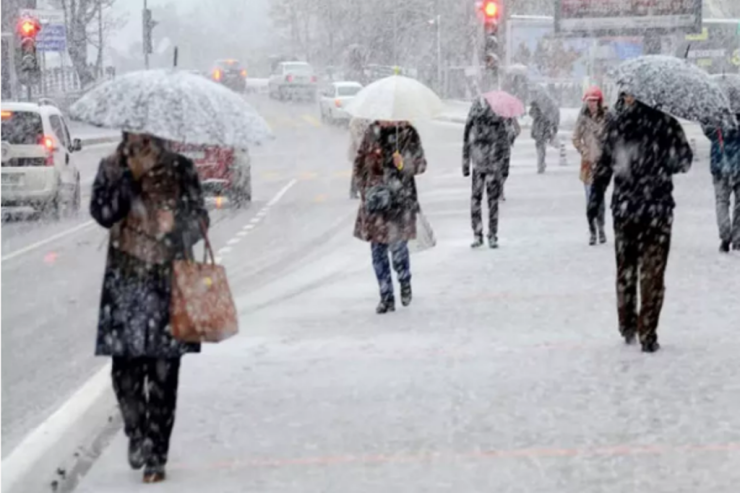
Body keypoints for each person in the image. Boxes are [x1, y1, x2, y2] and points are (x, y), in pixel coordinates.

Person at [90, 132, 209, 483]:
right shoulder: (112, 168)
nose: (140, 135)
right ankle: (136, 431)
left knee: (164, 376)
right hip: (125, 284)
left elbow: (200, 219)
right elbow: (103, 213)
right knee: (124, 373)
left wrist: (177, 227)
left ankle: (157, 455)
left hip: (167, 285)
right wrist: (128, 182)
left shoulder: (180, 168)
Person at [589, 94, 692, 353]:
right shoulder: (667, 123)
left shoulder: (619, 124)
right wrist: (662, 160)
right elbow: (684, 161)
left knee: (626, 269)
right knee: (653, 274)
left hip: (625, 209)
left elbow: (604, 164)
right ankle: (648, 332)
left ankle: (627, 325)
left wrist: (595, 197)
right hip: (658, 209)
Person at [352, 120, 427, 314]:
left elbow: (421, 165)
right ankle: (386, 296)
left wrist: (403, 164)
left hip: (400, 203)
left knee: (398, 249)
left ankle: (404, 280)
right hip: (377, 204)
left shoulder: (408, 132)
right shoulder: (372, 132)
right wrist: (366, 189)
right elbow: (359, 164)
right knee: (378, 252)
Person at [462, 98, 512, 248]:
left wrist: (465, 164)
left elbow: (466, 143)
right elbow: (504, 145)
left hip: (478, 164)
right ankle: (492, 235)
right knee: (492, 201)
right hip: (493, 164)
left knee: (476, 200)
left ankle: (477, 234)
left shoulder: (473, 118)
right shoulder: (497, 119)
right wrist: (505, 167)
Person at [573, 86, 608, 245]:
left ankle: (601, 228)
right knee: (590, 199)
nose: (592, 104)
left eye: (594, 100)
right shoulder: (582, 119)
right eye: (589, 101)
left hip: (602, 164)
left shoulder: (606, 118)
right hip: (587, 164)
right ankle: (592, 230)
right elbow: (575, 138)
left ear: (599, 102)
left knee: (600, 199)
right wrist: (583, 150)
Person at [703, 121, 740, 252]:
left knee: (721, 202)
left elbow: (708, 131)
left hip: (720, 163)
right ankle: (738, 239)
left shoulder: (716, 116)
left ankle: (725, 237)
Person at [530, 101, 558, 174]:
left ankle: (540, 166)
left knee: (541, 152)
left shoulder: (541, 119)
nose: (532, 115)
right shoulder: (537, 119)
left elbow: (546, 127)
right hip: (539, 137)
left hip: (541, 137)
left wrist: (546, 134)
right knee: (541, 151)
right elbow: (534, 128)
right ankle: (541, 164)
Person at [348, 117, 371, 199]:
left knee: (363, 169)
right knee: (358, 169)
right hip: (358, 149)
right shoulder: (356, 121)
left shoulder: (366, 121)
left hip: (362, 149)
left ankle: (358, 190)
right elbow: (356, 137)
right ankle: (354, 190)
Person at [501, 116, 521, 201]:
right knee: (500, 171)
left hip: (504, 148)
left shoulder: (510, 116)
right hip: (496, 148)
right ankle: (499, 190)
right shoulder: (491, 115)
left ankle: (499, 187)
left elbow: (518, 130)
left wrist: (512, 135)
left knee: (504, 172)